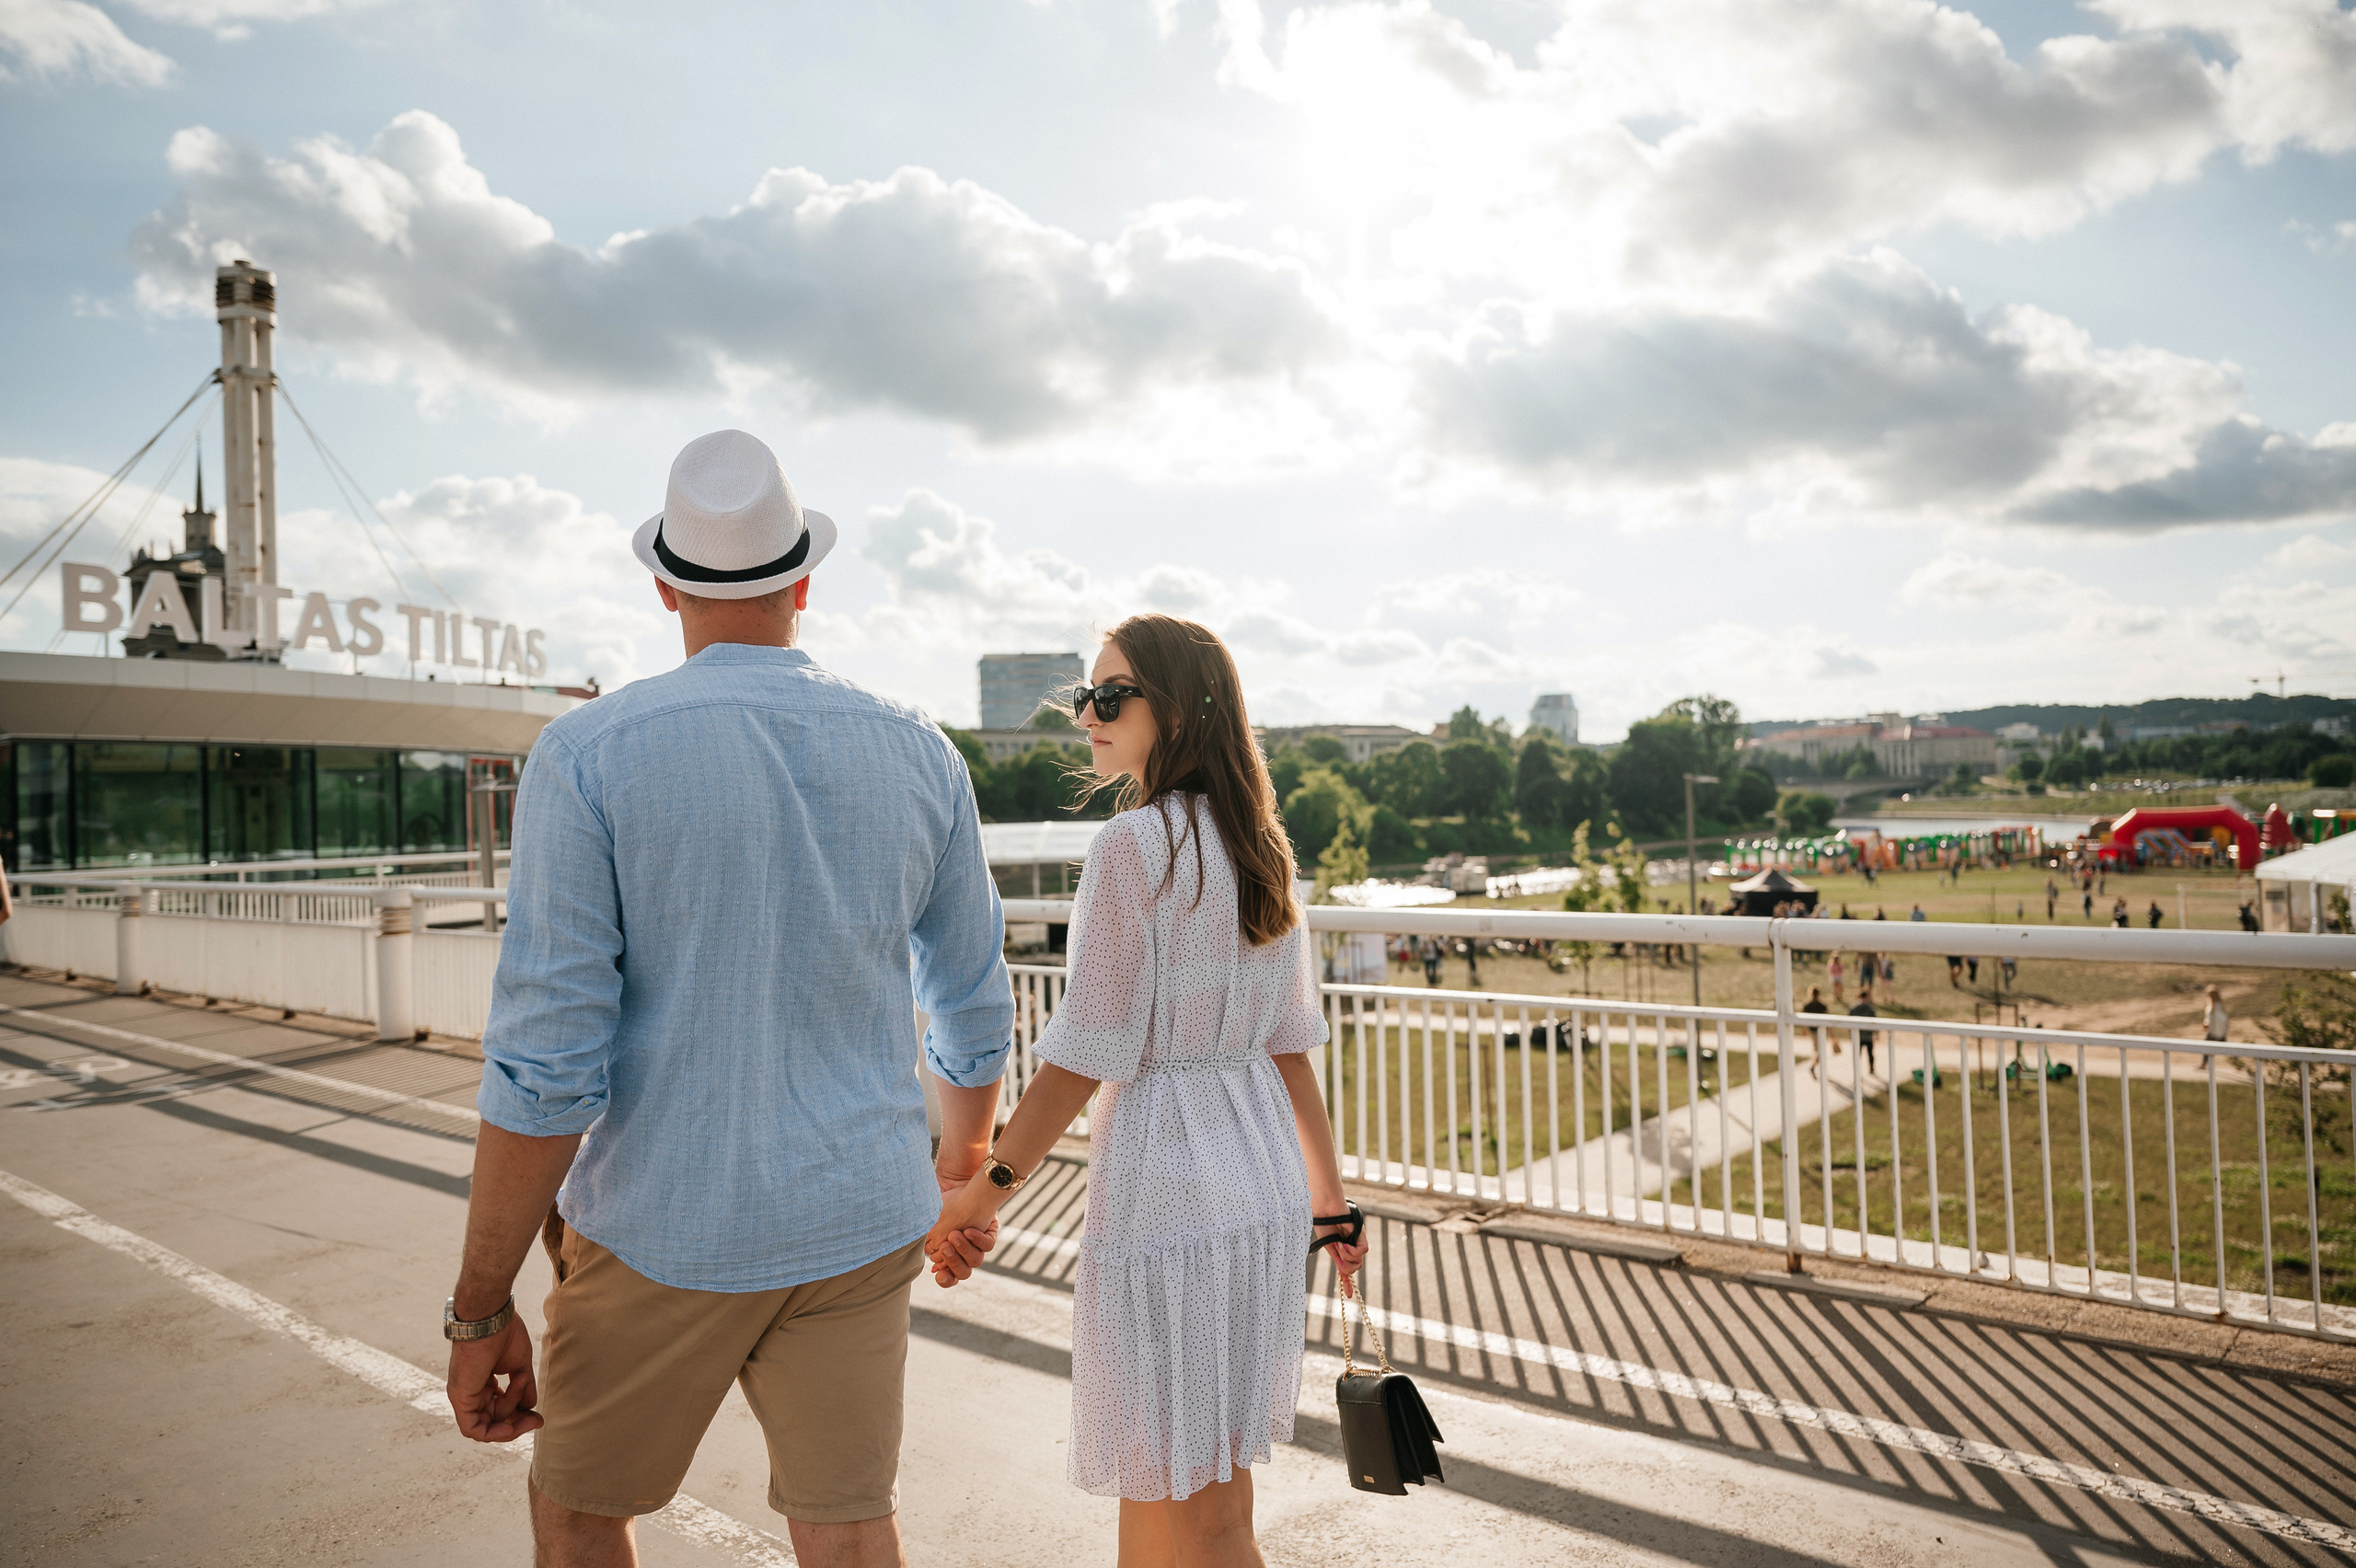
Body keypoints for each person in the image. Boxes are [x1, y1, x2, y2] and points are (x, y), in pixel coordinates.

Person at [444, 431, 1015, 1568]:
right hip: (859, 1215)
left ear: (663, 586)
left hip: (664, 1220)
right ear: (805, 579)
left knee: (582, 1512)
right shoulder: (919, 753)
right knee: (850, 1527)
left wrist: (479, 1304)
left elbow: (551, 1059)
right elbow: (972, 1001)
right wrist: (962, 1172)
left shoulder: (588, 754)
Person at [927, 614, 1366, 1562]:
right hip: (1258, 1192)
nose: (1088, 713)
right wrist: (1329, 1204)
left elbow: (1085, 1055)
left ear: (1180, 707)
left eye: (1110, 695)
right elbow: (1291, 1048)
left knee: (1187, 1501)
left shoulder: (1134, 848)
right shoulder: (1263, 850)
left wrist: (979, 1192)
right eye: (1084, 695)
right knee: (1183, 1486)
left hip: (1168, 1194)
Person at [1848, 990, 1878, 1075]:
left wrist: (1876, 1033)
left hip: (1866, 1035)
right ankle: (1858, 1068)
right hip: (1860, 1035)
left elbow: (1874, 1022)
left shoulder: (1869, 1009)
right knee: (1858, 1054)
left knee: (1870, 1053)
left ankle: (1871, 1068)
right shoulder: (1856, 1008)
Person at [1800, 985, 1830, 1058]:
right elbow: (1827, 1018)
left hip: (1812, 1029)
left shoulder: (1807, 1005)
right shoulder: (1822, 1006)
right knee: (1820, 1048)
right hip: (1821, 1028)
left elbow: (1803, 1018)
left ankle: (1814, 1064)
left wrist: (1804, 1028)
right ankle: (1814, 1065)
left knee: (1817, 1048)